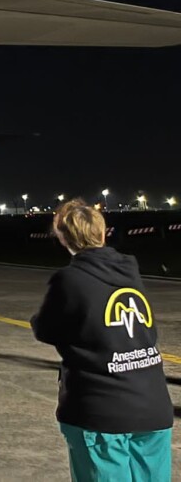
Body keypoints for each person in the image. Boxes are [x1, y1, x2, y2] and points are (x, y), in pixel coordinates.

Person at [31, 198, 173, 482]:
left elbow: (45, 328)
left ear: (64, 236)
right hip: (153, 406)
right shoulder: (129, 272)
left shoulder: (70, 279)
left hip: (100, 410)